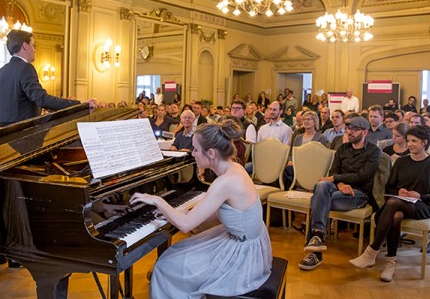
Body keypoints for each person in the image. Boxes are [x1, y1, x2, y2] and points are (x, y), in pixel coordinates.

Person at [130, 120, 272, 298]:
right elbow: (223, 212)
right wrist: (179, 212)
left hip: (242, 257)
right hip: (250, 242)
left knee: (165, 265)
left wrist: (158, 201)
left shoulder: (225, 181)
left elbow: (185, 226)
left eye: (195, 149)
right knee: (177, 251)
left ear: (211, 153)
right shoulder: (234, 167)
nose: (192, 153)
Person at [349, 125, 430, 282]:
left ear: (424, 142)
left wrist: (420, 196)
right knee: (396, 215)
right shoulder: (401, 162)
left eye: (414, 141)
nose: (410, 144)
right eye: (408, 141)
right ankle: (390, 263)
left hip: (423, 206)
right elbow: (390, 188)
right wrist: (399, 191)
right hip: (400, 204)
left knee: (394, 204)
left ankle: (371, 253)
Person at [298, 116, 380, 271]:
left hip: (358, 194)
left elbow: (363, 176)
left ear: (365, 132)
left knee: (319, 200)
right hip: (339, 189)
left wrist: (336, 179)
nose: (350, 132)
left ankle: (315, 252)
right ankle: (318, 236)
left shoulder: (373, 151)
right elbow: (333, 171)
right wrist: (340, 183)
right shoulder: (343, 149)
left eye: (355, 130)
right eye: (349, 129)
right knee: (321, 186)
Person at [0, 30, 91, 127]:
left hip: (5, 137)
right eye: (32, 45)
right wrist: (79, 104)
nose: (34, 50)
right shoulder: (26, 68)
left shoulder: (0, 73)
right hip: (24, 135)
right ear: (25, 45)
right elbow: (42, 99)